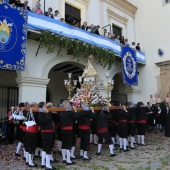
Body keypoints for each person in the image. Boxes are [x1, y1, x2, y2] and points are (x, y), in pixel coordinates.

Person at [38, 102, 56, 170]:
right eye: (45, 106)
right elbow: (48, 120)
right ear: (43, 107)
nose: (46, 107)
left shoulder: (43, 113)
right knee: (48, 148)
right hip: (47, 133)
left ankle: (43, 163)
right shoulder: (41, 114)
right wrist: (48, 112)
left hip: (47, 133)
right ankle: (48, 165)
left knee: (45, 148)